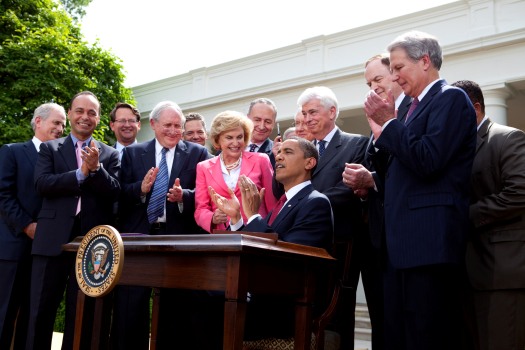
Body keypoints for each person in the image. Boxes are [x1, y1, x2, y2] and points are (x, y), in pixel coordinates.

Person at [363, 31, 477, 350]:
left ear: (424, 61)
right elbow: (401, 174)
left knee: (428, 336)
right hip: (401, 246)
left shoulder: (450, 98)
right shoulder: (412, 109)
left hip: (428, 245)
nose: (395, 77)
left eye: (399, 68)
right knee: (399, 337)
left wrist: (390, 124)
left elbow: (428, 160)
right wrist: (382, 136)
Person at [209, 137, 333, 342]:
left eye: (289, 152)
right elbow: (257, 243)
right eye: (279, 152)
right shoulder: (282, 204)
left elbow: (287, 255)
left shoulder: (316, 202)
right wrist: (237, 218)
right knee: (189, 295)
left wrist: (254, 216)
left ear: (309, 163)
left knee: (204, 301)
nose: (279, 156)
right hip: (260, 295)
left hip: (286, 307)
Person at [112, 100, 210, 349]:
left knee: (175, 308)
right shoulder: (133, 153)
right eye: (168, 125)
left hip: (178, 238)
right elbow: (119, 193)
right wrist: (141, 190)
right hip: (140, 236)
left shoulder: (197, 153)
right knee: (131, 304)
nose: (173, 131)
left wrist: (184, 196)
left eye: (178, 126)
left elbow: (207, 190)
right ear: (153, 124)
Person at [27, 91, 120, 350]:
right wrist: (80, 173)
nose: (85, 117)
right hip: (51, 240)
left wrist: (97, 169)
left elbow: (114, 191)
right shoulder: (50, 148)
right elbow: (42, 184)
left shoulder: (109, 154)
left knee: (82, 313)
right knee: (40, 310)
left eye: (92, 112)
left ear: (99, 118)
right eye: (80, 111)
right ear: (69, 114)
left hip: (91, 244)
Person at [341, 53, 412, 350]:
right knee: (383, 326)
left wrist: (374, 180)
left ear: (395, 76)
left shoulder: (411, 113)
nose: (373, 87)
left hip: (406, 240)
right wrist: (365, 183)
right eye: (369, 83)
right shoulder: (375, 122)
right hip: (377, 243)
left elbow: (412, 170)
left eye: (379, 79)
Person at [451, 79, 525, 350]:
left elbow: (520, 192)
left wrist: (464, 216)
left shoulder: (507, 138)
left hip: (501, 272)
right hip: (466, 273)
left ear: (475, 108)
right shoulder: (457, 150)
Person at [296, 85, 368, 349]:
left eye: (312, 112)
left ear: (332, 111)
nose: (307, 118)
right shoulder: (304, 150)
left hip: (341, 245)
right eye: (304, 113)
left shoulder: (356, 143)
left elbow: (348, 191)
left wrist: (305, 202)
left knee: (338, 315)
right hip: (306, 243)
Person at [0, 103, 66, 350]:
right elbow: (3, 195)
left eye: (63, 124)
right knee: (5, 315)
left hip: (46, 253)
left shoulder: (62, 161)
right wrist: (27, 225)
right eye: (56, 123)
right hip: (14, 250)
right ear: (38, 121)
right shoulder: (12, 151)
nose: (60, 129)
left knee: (34, 318)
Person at [194, 110, 277, 233]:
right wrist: (212, 217)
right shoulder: (203, 167)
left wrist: (271, 233)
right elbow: (200, 209)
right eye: (229, 138)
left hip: (256, 235)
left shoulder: (261, 160)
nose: (235, 143)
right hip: (223, 239)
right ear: (218, 140)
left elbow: (273, 205)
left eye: (239, 137)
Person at [245, 97, 277, 167]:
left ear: (273, 123)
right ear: (247, 119)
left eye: (267, 122)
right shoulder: (230, 148)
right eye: (257, 120)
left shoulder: (278, 155)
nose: (261, 127)